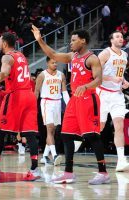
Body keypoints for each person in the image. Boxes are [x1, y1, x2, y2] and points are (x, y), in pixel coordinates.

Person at [32, 25, 110, 185]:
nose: (71, 43)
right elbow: (52, 54)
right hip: (75, 100)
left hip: (89, 99)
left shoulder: (92, 58)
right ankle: (68, 172)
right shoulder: (72, 56)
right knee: (66, 134)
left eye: (74, 40)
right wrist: (39, 40)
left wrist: (86, 86)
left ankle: (103, 173)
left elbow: (99, 80)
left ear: (83, 41)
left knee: (92, 135)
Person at [0, 32, 41, 181]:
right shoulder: (21, 56)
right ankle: (34, 169)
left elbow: (3, 74)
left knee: (0, 132)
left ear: (4, 43)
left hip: (16, 95)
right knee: (30, 133)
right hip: (29, 95)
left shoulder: (7, 57)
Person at [97, 31, 129, 172]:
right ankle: (80, 138)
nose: (121, 38)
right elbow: (96, 74)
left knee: (119, 125)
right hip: (102, 93)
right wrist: (111, 79)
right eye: (117, 36)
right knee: (99, 127)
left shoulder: (124, 55)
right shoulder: (105, 54)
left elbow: (119, 73)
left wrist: (124, 81)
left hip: (117, 95)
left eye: (122, 37)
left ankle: (121, 160)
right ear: (111, 40)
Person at [34, 56, 69, 166]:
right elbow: (36, 92)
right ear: (47, 63)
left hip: (57, 103)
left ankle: (44, 156)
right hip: (46, 103)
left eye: (56, 63)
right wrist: (32, 107)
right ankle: (54, 155)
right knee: (49, 129)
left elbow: (64, 92)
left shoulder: (61, 75)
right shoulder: (42, 75)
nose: (55, 64)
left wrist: (69, 105)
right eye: (53, 62)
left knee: (54, 131)